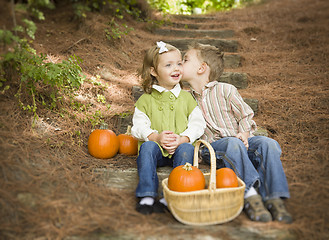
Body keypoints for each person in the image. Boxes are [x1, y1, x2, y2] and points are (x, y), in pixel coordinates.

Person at [181, 42, 293, 224]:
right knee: (232, 143)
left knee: (268, 143)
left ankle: (274, 198)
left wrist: (245, 133)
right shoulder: (185, 99)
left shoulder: (226, 90)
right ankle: (250, 195)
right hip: (213, 148)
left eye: (185, 60)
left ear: (202, 68)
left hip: (241, 141)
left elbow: (246, 116)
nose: (180, 63)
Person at [131, 41, 206, 215]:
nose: (176, 68)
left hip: (179, 148)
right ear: (154, 71)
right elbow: (138, 126)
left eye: (179, 63)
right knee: (147, 147)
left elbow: (198, 123)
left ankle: (172, 195)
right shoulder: (146, 100)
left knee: (187, 149)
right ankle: (147, 196)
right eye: (169, 65)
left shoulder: (187, 99)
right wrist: (155, 137)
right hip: (156, 150)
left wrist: (184, 138)